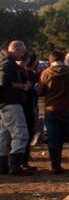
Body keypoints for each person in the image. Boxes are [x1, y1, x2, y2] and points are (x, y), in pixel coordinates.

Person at [37, 49, 69, 173]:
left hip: (51, 109)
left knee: (53, 138)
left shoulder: (46, 73)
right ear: (63, 59)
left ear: (50, 60)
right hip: (67, 109)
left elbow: (40, 92)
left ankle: (55, 166)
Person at [1, 41, 34, 176]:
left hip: (4, 103)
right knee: (20, 134)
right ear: (15, 50)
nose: (23, 55)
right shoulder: (7, 63)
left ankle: (3, 166)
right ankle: (16, 166)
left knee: (4, 135)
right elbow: (4, 82)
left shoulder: (4, 61)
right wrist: (22, 86)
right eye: (21, 52)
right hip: (11, 103)